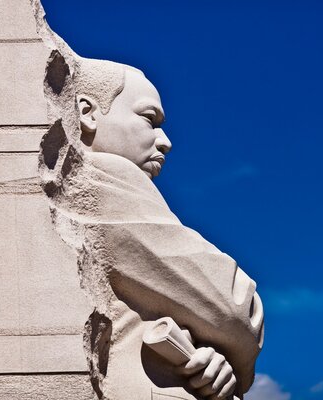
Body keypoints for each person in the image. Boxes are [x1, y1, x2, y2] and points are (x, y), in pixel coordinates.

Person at [42, 55, 264, 400]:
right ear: (87, 113)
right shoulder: (102, 179)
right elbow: (234, 310)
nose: (165, 141)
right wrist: (229, 339)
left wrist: (211, 355)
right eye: (149, 119)